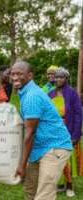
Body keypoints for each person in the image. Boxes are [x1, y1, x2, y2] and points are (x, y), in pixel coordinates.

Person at [11, 61, 73, 200]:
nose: (14, 77)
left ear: (30, 75)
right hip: (38, 148)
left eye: (19, 73)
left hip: (55, 147)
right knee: (30, 190)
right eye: (13, 73)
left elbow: (30, 133)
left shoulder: (32, 96)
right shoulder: (26, 92)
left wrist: (21, 165)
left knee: (44, 194)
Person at [48, 67, 82, 197]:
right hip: (53, 132)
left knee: (66, 160)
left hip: (68, 132)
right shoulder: (50, 94)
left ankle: (69, 186)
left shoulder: (72, 94)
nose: (58, 79)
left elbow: (78, 114)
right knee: (55, 159)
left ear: (66, 79)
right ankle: (60, 184)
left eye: (61, 77)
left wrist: (76, 135)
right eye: (56, 77)